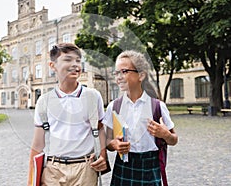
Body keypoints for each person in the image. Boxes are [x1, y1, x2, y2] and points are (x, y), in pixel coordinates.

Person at [28, 43, 107, 186]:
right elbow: (37, 145)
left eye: (78, 60)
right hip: (53, 169)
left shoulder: (93, 96)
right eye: (68, 60)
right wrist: (31, 181)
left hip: (85, 169)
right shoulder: (44, 102)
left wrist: (103, 155)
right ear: (53, 66)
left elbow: (100, 129)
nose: (75, 65)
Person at [103, 50, 178, 185]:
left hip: (150, 168)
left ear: (141, 75)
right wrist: (115, 144)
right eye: (116, 73)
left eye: (124, 71)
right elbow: (107, 141)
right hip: (124, 167)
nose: (118, 77)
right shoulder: (114, 107)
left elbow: (174, 140)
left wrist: (165, 134)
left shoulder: (157, 106)